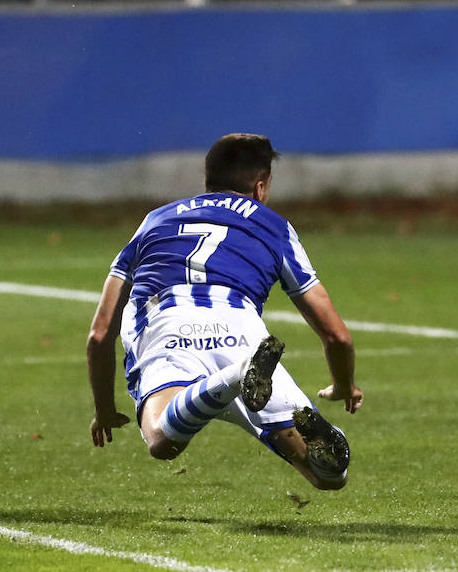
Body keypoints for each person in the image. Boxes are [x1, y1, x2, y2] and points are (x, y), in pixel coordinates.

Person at [87, 133, 362, 489]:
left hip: (167, 322)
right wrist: (344, 385)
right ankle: (243, 379)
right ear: (260, 188)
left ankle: (235, 378)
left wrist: (104, 409)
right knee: (329, 477)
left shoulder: (155, 220)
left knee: (162, 440)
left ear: (207, 181)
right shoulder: (274, 227)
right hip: (240, 327)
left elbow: (99, 333)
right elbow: (336, 335)